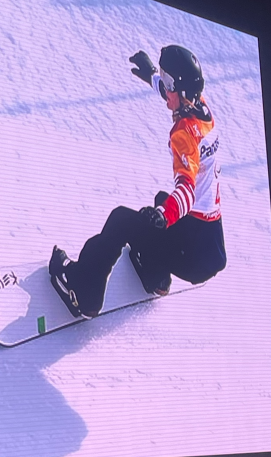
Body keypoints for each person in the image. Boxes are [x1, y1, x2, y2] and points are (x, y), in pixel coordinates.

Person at [49, 45, 226, 318]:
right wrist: (153, 75)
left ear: (179, 89)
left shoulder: (184, 135)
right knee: (160, 199)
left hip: (191, 251)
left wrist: (162, 216)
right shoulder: (203, 111)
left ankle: (82, 294)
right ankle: (156, 278)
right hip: (209, 243)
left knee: (122, 220)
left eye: (168, 84)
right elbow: (175, 94)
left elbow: (187, 189)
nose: (166, 92)